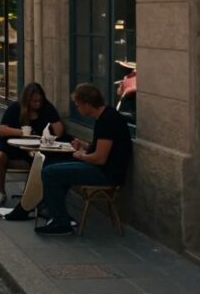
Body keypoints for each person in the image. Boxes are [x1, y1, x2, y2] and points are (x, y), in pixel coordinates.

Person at [35, 83, 132, 236]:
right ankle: (54, 213)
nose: (77, 109)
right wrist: (84, 146)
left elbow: (100, 158)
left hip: (106, 173)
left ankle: (61, 222)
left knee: (49, 172)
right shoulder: (104, 117)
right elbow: (101, 148)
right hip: (102, 169)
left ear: (87, 104)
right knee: (56, 166)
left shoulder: (108, 119)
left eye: (78, 105)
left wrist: (81, 155)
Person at [0, 82, 64, 207]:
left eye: (40, 101)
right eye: (34, 101)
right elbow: (2, 129)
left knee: (41, 159)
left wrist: (52, 133)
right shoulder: (15, 108)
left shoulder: (46, 108)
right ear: (27, 100)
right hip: (12, 146)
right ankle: (0, 193)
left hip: (36, 147)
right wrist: (21, 132)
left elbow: (59, 130)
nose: (37, 104)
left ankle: (31, 194)